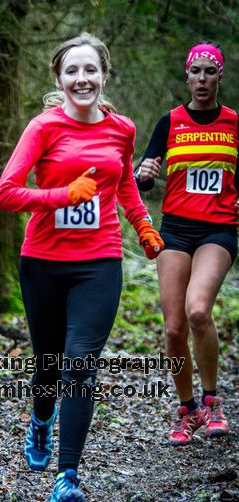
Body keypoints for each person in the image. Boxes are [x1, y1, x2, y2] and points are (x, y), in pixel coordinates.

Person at [0, 32, 163, 502]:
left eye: (91, 70)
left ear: (104, 76)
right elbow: (6, 194)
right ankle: (41, 419)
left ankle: (68, 477)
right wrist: (60, 196)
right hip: (44, 261)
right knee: (48, 361)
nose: (82, 78)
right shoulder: (43, 128)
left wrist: (143, 225)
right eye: (72, 71)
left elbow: (125, 183)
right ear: (59, 79)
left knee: (80, 364)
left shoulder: (122, 129)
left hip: (100, 260)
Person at [136, 42, 238, 447]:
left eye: (209, 72)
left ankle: (213, 402)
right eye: (195, 71)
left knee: (198, 311)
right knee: (174, 327)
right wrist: (143, 173)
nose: (201, 79)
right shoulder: (169, 122)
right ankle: (187, 409)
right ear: (186, 76)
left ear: (219, 77)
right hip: (175, 230)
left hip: (218, 230)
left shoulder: (233, 123)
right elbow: (141, 179)